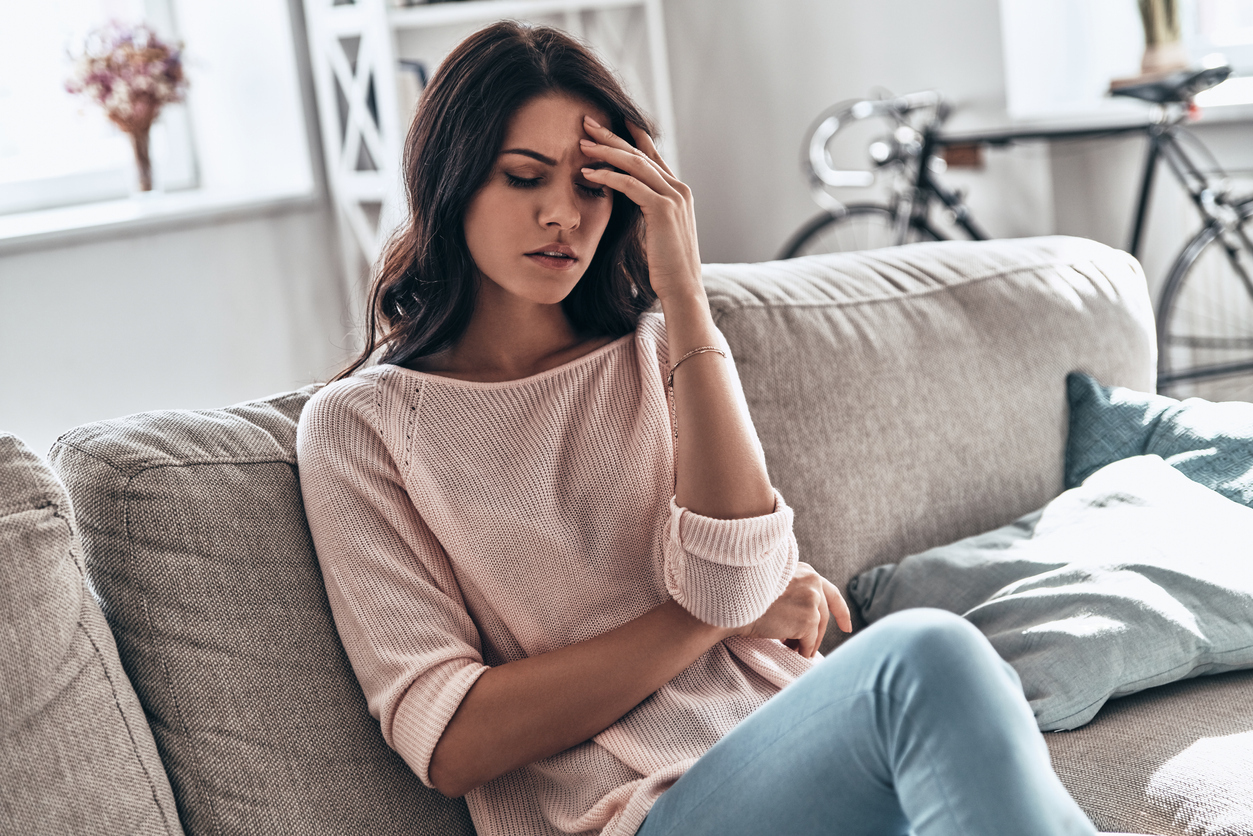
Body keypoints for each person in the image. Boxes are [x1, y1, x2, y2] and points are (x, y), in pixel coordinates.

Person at [295, 21, 1097, 836]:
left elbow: (740, 577)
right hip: (642, 814)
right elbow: (453, 738)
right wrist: (706, 620)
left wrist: (682, 293)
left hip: (794, 754)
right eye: (524, 177)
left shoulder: (657, 350)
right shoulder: (364, 428)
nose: (562, 214)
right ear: (450, 180)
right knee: (926, 656)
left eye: (593, 184)